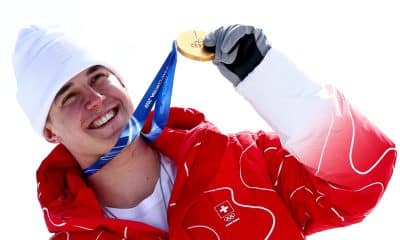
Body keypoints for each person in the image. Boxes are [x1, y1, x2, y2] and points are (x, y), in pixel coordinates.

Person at [13, 24, 396, 240]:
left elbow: (360, 181)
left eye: (98, 77)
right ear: (49, 131)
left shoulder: (241, 162)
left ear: (123, 84)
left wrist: (267, 77)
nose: (95, 98)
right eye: (67, 96)